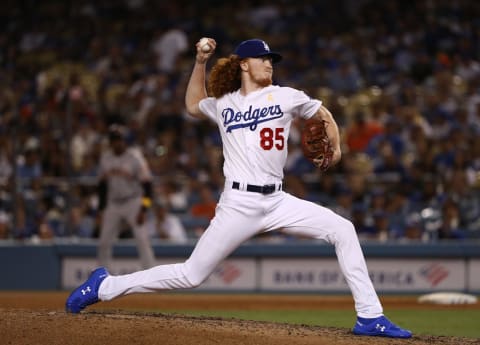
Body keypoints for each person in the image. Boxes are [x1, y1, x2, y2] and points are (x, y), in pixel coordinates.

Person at [66, 38, 412, 338]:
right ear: (244, 64)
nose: (269, 64)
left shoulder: (285, 95)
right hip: (238, 203)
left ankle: (369, 315)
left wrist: (335, 149)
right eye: (263, 59)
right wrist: (200, 61)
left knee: (342, 229)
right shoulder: (224, 104)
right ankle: (105, 285)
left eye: (271, 60)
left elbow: (323, 115)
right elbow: (191, 104)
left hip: (277, 200)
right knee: (191, 275)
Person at [95, 124, 156, 270]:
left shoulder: (135, 157)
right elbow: (102, 186)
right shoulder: (105, 158)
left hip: (133, 202)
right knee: (104, 242)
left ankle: (150, 275)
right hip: (113, 203)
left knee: (142, 239)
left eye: (119, 139)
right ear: (110, 142)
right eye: (114, 140)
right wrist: (101, 209)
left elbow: (148, 186)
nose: (117, 142)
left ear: (125, 140)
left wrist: (143, 208)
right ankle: (103, 279)